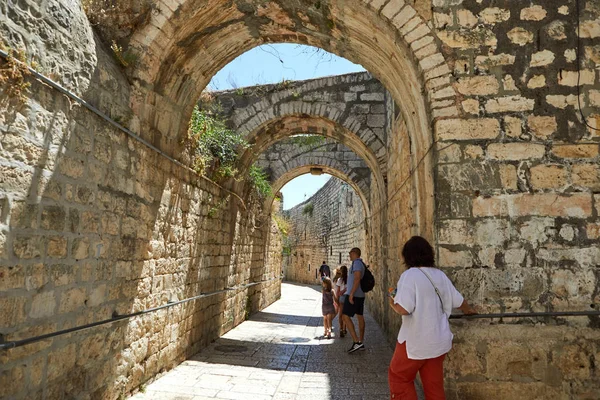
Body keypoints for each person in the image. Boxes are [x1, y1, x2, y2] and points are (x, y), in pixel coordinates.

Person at [388, 236, 477, 400]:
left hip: (414, 342)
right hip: (437, 342)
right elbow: (459, 301)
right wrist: (469, 310)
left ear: (408, 256)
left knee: (399, 377)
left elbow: (404, 309)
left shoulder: (410, 275)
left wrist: (392, 301)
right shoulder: (439, 275)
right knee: (434, 387)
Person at [343, 247, 366, 352]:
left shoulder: (356, 263)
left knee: (345, 316)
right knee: (360, 317)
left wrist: (351, 293)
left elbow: (357, 278)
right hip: (360, 295)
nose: (349, 255)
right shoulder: (361, 264)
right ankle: (360, 342)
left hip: (354, 295)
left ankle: (356, 342)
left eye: (350, 253)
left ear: (354, 253)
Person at [335, 265, 348, 337]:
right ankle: (344, 328)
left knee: (340, 314)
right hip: (347, 297)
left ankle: (341, 328)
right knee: (346, 314)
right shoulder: (349, 279)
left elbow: (338, 291)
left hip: (342, 298)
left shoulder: (340, 279)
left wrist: (336, 299)